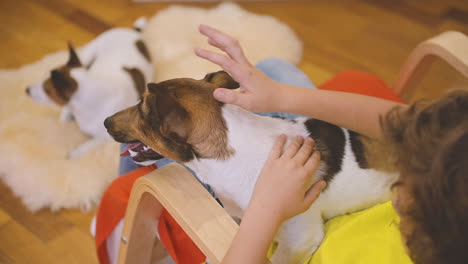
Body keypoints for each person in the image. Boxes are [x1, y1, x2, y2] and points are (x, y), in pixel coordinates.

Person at [195, 24, 468, 264]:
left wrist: (265, 209)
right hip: (317, 183)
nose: (395, 195)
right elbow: (406, 125)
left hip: (280, 231)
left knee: (180, 167)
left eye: (404, 188)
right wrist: (281, 96)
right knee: (274, 69)